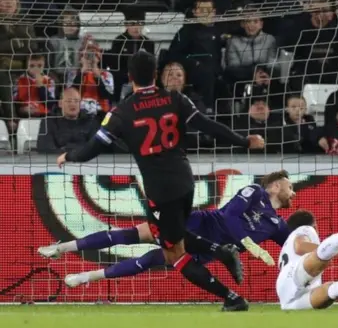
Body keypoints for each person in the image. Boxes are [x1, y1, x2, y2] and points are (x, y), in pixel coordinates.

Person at [53, 51, 265, 311]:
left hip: (161, 191)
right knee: (164, 232)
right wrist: (245, 141)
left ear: (130, 78)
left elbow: (92, 149)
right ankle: (221, 252)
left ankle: (231, 297)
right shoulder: (175, 98)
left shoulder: (122, 112)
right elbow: (207, 125)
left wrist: (69, 156)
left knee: (173, 254)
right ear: (155, 74)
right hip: (186, 182)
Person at [39, 170, 295, 311]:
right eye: (288, 185)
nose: (292, 190)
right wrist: (247, 243)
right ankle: (62, 247)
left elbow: (294, 246)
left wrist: (325, 252)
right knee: (131, 234)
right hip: (200, 224)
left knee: (150, 260)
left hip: (208, 250)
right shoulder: (255, 191)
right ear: (274, 186)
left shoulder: (277, 224)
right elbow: (228, 215)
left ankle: (86, 277)